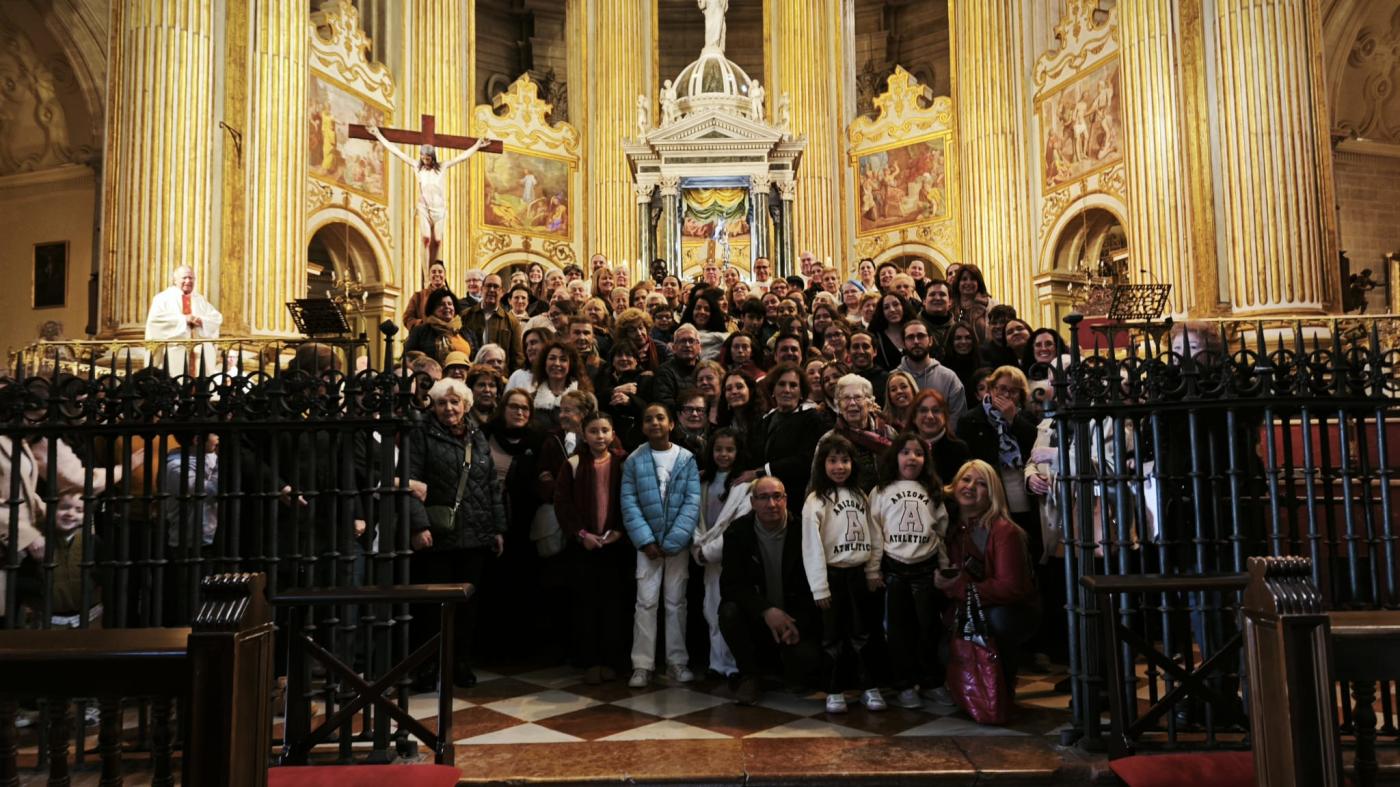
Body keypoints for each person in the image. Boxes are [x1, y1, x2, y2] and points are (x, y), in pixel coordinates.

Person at [408, 377, 506, 687]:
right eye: (441, 402)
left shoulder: (476, 436)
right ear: (433, 406)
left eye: (454, 402)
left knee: (467, 606)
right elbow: (409, 483)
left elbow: (491, 484)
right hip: (437, 534)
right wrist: (418, 524)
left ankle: (460, 663)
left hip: (474, 534)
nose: (448, 408)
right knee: (431, 606)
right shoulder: (421, 435)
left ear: (465, 405)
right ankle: (428, 665)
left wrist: (498, 528)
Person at [934, 460, 1041, 689]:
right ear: (954, 485)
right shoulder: (946, 525)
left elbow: (1011, 588)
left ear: (992, 493)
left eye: (981, 483)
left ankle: (1001, 685)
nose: (971, 486)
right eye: (966, 479)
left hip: (1009, 611)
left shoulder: (1004, 530)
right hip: (966, 608)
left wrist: (956, 587)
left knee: (998, 620)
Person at [801, 434, 886, 713]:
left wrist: (873, 569)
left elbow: (875, 534)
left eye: (845, 460)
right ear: (822, 464)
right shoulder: (816, 500)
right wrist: (819, 587)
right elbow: (811, 546)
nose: (839, 466)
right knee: (832, 637)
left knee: (863, 634)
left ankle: (869, 686)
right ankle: (834, 689)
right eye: (833, 460)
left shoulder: (861, 495)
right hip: (832, 575)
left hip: (859, 574)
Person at [718, 476, 823, 705]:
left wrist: (795, 623)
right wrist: (767, 611)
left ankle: (784, 669)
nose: (771, 504)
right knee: (728, 611)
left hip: (795, 620)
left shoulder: (803, 530)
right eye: (763, 497)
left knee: (806, 665)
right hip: (758, 620)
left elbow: (814, 585)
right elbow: (731, 586)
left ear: (786, 500)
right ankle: (750, 676)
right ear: (753, 502)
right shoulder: (738, 532)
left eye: (777, 497)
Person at [621, 403, 702, 688]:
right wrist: (646, 540)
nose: (654, 422)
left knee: (676, 602)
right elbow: (629, 503)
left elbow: (693, 502)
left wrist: (675, 541)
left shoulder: (686, 459)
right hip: (648, 547)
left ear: (670, 424)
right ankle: (642, 664)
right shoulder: (634, 460)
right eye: (648, 418)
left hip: (676, 546)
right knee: (645, 602)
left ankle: (677, 661)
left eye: (660, 418)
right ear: (642, 426)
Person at [869, 433, 952, 709]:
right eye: (905, 452)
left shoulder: (932, 490)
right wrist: (873, 569)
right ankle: (904, 685)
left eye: (918, 453)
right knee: (898, 631)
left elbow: (940, 533)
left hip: (926, 568)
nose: (912, 458)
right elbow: (875, 532)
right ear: (895, 456)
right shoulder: (881, 490)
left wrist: (943, 567)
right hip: (894, 567)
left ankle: (931, 682)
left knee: (928, 628)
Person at [555, 412, 632, 684]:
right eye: (594, 431)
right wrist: (581, 534)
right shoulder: (573, 463)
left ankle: (613, 660)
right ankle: (589, 661)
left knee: (614, 604)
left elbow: (630, 499)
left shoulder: (624, 462)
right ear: (584, 435)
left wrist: (619, 531)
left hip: (615, 545)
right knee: (586, 604)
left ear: (612, 434)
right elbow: (563, 504)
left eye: (604, 430)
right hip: (584, 546)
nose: (600, 436)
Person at [367, 122, 488, 269]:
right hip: (424, 207)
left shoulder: (441, 167)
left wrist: (477, 145)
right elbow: (396, 151)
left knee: (437, 240)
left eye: (427, 158)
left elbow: (461, 157)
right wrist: (378, 135)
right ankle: (426, 274)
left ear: (432, 157)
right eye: (423, 158)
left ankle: (436, 267)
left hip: (439, 210)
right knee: (425, 238)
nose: (425, 161)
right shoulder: (417, 167)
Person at [691, 427, 751, 679]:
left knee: (730, 611)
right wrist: (698, 548)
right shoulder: (702, 480)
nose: (723, 454)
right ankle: (717, 664)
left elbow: (738, 526)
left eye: (729, 449)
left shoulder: (746, 485)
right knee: (710, 609)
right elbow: (694, 518)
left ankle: (734, 665)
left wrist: (710, 551)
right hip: (704, 555)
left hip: (729, 557)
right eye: (718, 449)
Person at [741, 363, 825, 513]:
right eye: (781, 384)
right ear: (773, 389)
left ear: (801, 393)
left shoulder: (812, 419)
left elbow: (806, 460)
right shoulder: (766, 420)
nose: (787, 390)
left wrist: (761, 472)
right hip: (762, 499)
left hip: (795, 501)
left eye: (793, 385)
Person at [144, 266, 225, 377]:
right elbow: (155, 321)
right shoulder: (163, 298)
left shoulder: (199, 299)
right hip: (174, 349)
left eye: (191, 278)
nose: (188, 281)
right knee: (176, 381)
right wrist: (184, 320)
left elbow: (216, 318)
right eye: (184, 278)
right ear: (175, 280)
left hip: (198, 353)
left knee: (200, 386)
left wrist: (202, 321)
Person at [825, 374, 894, 491]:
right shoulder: (829, 439)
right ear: (839, 405)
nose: (852, 403)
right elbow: (818, 482)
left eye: (858, 397)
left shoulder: (888, 432)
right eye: (846, 398)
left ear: (870, 403)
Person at [896, 320, 967, 429]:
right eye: (910, 337)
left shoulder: (948, 378)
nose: (916, 341)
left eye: (921, 336)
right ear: (903, 343)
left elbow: (957, 417)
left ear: (930, 340)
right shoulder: (893, 378)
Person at [459, 274, 524, 369]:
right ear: (482, 289)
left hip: (500, 378)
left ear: (502, 292)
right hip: (472, 374)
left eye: (496, 286)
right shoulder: (466, 316)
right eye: (489, 286)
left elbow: (518, 358)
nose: (492, 290)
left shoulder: (512, 321)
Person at [910, 389, 971, 485]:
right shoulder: (901, 448)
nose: (930, 416)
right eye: (923, 410)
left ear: (945, 416)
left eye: (936, 410)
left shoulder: (959, 449)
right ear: (914, 417)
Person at [528, 339, 591, 429]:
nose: (557, 363)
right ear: (544, 363)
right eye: (552, 358)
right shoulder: (531, 399)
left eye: (563, 359)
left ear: (571, 365)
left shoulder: (586, 399)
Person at [403, 288, 472, 366]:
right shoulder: (421, 331)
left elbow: (475, 358)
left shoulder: (466, 331)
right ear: (432, 309)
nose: (447, 307)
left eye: (450, 304)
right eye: (441, 304)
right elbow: (409, 358)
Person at [652, 323, 702, 413]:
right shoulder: (665, 371)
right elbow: (665, 403)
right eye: (682, 341)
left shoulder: (705, 370)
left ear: (699, 347)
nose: (687, 345)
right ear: (674, 348)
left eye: (691, 341)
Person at [403, 260, 449, 330]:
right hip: (424, 337)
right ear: (429, 276)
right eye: (433, 272)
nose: (437, 274)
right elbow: (407, 318)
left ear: (444, 276)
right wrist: (422, 324)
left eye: (440, 272)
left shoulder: (451, 298)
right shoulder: (418, 296)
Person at [848, 330, 888, 401]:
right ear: (848, 352)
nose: (861, 351)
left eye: (866, 346)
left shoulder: (887, 380)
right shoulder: (843, 379)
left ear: (875, 351)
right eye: (855, 347)